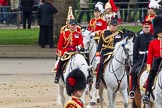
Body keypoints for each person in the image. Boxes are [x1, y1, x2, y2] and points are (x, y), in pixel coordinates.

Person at [95, 18, 124, 89]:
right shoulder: (104, 33)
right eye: (113, 25)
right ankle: (98, 81)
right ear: (109, 25)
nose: (114, 27)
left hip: (116, 53)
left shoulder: (120, 34)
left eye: (115, 25)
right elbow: (100, 44)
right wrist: (98, 53)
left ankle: (127, 84)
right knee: (101, 64)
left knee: (126, 65)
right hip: (106, 52)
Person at [129, 21, 154, 99]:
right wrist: (134, 62)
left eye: (148, 27)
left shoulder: (153, 36)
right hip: (140, 58)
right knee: (133, 72)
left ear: (150, 28)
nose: (147, 29)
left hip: (151, 58)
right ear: (143, 28)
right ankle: (132, 89)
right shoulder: (139, 37)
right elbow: (135, 50)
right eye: (145, 27)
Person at [54, 19, 84, 84]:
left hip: (75, 51)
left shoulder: (78, 34)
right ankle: (57, 76)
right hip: (66, 51)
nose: (73, 26)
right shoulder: (64, 33)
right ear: (69, 25)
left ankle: (88, 76)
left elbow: (81, 43)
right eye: (71, 25)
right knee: (61, 61)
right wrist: (61, 53)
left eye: (74, 25)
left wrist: (79, 46)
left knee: (84, 61)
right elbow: (60, 44)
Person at [142, 16, 162, 104]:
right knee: (152, 73)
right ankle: (147, 93)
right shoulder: (153, 42)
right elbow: (150, 55)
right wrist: (149, 65)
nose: (161, 33)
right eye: (159, 32)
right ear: (156, 32)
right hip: (157, 60)